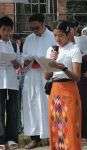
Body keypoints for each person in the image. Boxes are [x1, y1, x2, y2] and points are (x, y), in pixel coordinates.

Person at [22, 13, 56, 149]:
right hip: (31, 76)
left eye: (36, 28)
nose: (34, 31)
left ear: (43, 24)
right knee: (32, 105)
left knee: (47, 104)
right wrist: (28, 60)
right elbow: (23, 57)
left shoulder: (53, 36)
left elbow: (56, 56)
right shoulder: (29, 39)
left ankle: (50, 135)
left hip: (46, 76)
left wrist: (44, 62)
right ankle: (34, 138)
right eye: (32, 28)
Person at [46, 21, 82, 150]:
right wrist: (51, 62)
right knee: (56, 125)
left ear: (68, 34)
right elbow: (46, 76)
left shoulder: (74, 49)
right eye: (55, 35)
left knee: (70, 125)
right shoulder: (52, 50)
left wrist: (64, 69)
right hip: (55, 91)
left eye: (60, 35)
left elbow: (77, 77)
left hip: (69, 90)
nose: (57, 39)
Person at [0, 16, 20, 150]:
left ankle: (12, 138)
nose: (7, 33)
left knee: (13, 110)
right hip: (0, 81)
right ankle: (1, 140)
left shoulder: (14, 45)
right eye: (4, 30)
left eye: (9, 30)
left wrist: (15, 62)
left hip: (12, 81)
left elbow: (19, 63)